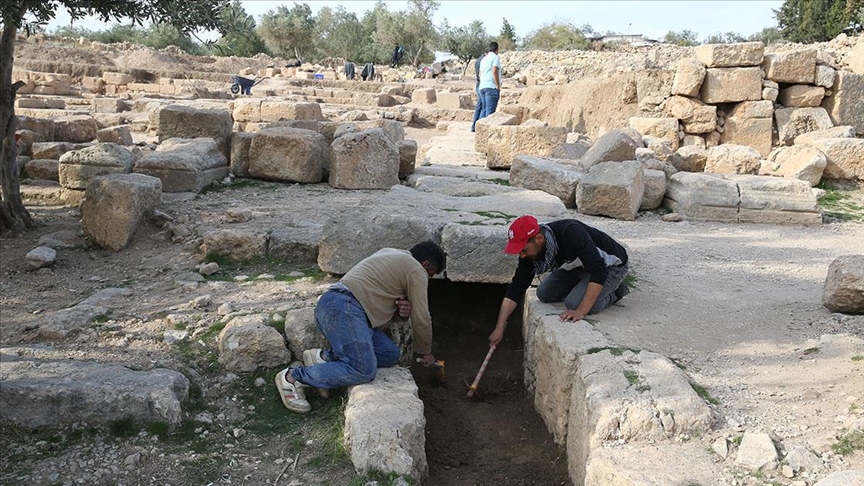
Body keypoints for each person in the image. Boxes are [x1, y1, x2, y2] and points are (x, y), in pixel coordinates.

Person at [276, 241, 447, 413]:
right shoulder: (416, 269)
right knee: (363, 369)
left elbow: (376, 301)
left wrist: (401, 314)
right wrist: (425, 352)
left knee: (389, 354)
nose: (427, 278)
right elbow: (422, 317)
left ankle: (324, 358)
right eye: (430, 274)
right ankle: (293, 377)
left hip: (341, 307)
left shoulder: (391, 252)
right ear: (425, 264)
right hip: (344, 307)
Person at [488, 216, 630, 347]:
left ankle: (617, 291)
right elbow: (516, 288)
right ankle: (584, 284)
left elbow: (599, 272)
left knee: (573, 303)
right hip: (577, 266)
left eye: (524, 249)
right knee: (544, 293)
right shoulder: (531, 253)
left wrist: (580, 311)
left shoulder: (570, 232)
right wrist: (499, 327)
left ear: (538, 238)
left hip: (610, 267)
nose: (522, 255)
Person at [477, 41, 502, 121]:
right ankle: (487, 132)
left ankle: (479, 130)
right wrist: (497, 85)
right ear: (497, 49)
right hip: (491, 87)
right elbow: (494, 70)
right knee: (490, 113)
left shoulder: (483, 59)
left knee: (484, 109)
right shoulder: (495, 57)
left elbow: (480, 74)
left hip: (482, 86)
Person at [470, 52, 486, 132]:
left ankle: (474, 126)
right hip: (482, 85)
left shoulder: (478, 60)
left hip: (478, 85)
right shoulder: (484, 60)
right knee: (484, 107)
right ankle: (480, 127)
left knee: (479, 106)